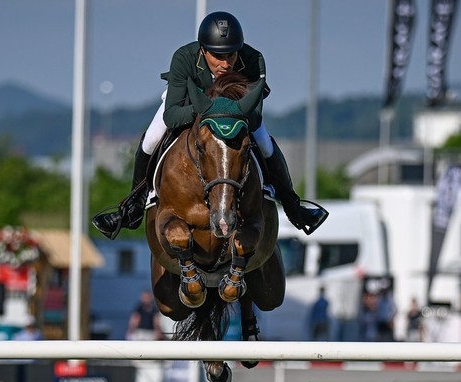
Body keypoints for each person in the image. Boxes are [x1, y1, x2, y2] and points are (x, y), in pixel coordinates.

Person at [91, 10, 328, 240]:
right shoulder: (184, 57)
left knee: (265, 144)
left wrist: (224, 110)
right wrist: (204, 109)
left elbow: (254, 117)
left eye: (231, 55)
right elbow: (172, 116)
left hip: (236, 115)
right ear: (203, 50)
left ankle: (293, 206)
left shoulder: (253, 59)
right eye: (218, 56)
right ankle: (133, 206)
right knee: (151, 139)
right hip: (186, 105)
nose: (225, 63)